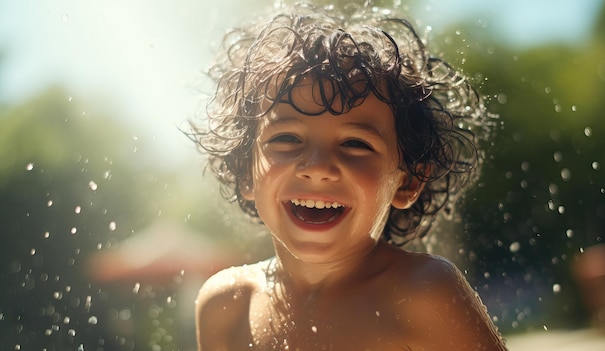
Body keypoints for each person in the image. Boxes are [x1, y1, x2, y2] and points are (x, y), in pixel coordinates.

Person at [190, 2, 508, 350]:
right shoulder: (227, 306)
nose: (317, 166)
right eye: (286, 138)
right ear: (245, 173)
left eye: (356, 143)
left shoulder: (422, 294)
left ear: (408, 181)